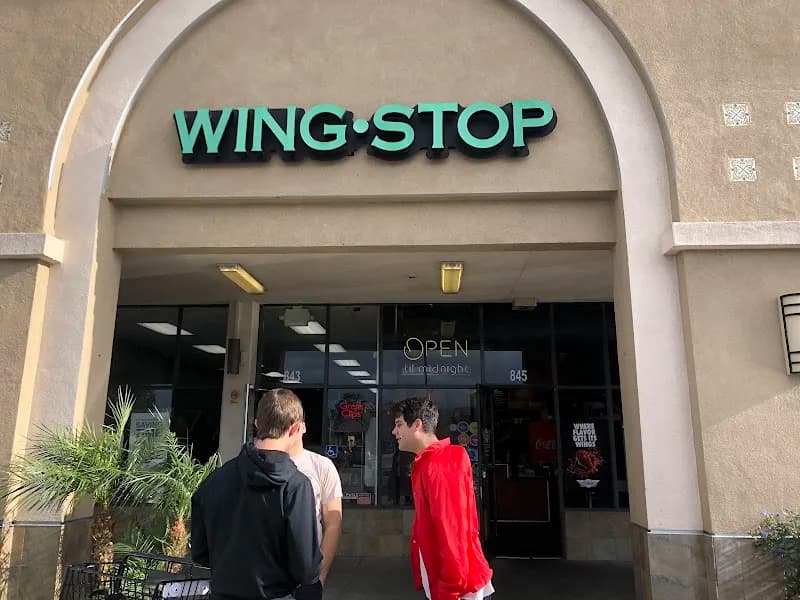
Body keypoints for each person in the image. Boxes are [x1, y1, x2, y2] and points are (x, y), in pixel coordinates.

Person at [190, 388, 322, 600]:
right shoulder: (296, 486)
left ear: (257, 423)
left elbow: (200, 553)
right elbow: (307, 568)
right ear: (295, 428)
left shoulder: (214, 481)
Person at [392, 397, 495, 600]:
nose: (394, 432)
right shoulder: (429, 462)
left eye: (399, 424)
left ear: (417, 425)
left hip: (460, 592)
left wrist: (449, 591)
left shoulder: (441, 463)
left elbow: (453, 531)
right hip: (445, 586)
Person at [287, 398, 343, 585]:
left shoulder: (322, 466)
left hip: (304, 575)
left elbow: (333, 523)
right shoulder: (254, 466)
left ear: (301, 427)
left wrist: (320, 576)